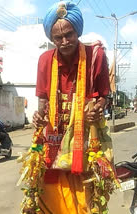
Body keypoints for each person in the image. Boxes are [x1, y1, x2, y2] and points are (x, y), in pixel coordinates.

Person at [32, 1, 110, 213]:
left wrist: (98, 107)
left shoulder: (96, 56)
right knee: (51, 196)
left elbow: (104, 95)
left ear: (78, 31)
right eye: (58, 37)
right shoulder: (45, 60)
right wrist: (38, 116)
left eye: (70, 34)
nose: (65, 41)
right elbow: (42, 101)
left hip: (85, 137)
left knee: (87, 198)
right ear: (51, 38)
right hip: (54, 139)